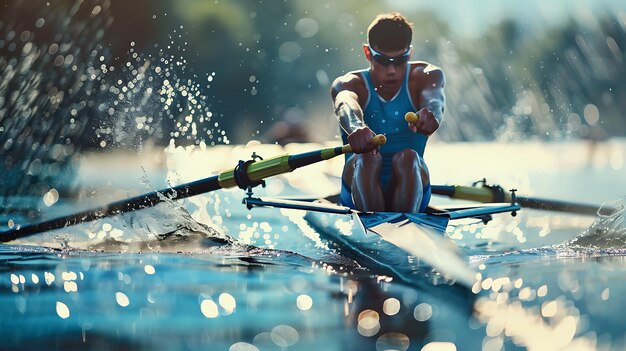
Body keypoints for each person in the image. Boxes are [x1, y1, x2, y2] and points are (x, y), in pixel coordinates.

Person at [331, 12, 445, 213]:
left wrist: (433, 114)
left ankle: (402, 228)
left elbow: (434, 100)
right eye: (382, 60)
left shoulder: (427, 76)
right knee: (367, 158)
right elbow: (345, 104)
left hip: (412, 178)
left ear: (409, 54)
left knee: (408, 157)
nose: (391, 70)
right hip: (357, 185)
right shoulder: (350, 83)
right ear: (367, 53)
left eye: (400, 60)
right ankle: (375, 226)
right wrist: (356, 126)